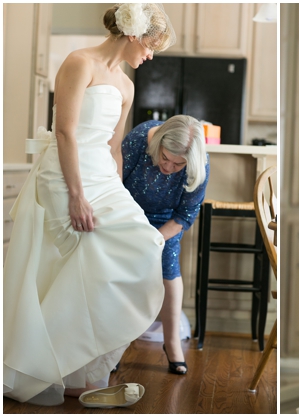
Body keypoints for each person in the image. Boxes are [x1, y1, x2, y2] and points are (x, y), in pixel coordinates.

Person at [3, 3, 175, 407]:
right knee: (72, 264)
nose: (149, 56)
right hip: (65, 175)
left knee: (144, 245)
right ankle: (56, 370)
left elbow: (113, 146)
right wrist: (78, 194)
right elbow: (65, 133)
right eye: (150, 46)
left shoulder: (128, 87)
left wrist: (116, 192)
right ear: (133, 34)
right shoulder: (79, 62)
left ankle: (76, 365)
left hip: (102, 177)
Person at [122, 115, 209, 375]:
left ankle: (172, 344)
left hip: (166, 223)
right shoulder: (139, 138)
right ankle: (113, 346)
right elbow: (114, 181)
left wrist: (155, 239)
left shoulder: (199, 166)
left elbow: (184, 215)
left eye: (178, 163)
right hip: (126, 214)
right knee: (118, 271)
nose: (168, 167)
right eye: (165, 158)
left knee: (169, 272)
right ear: (158, 143)